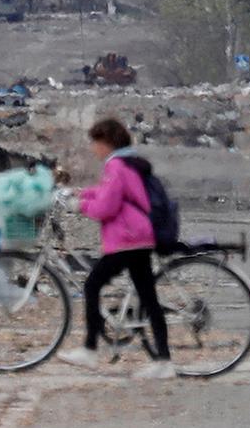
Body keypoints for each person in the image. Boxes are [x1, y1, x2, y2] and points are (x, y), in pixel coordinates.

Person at [61, 117, 172, 377]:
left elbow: (105, 207)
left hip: (128, 239)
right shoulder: (128, 164)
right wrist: (81, 193)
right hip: (139, 237)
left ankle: (89, 349)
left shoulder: (116, 167)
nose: (93, 149)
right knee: (149, 299)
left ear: (107, 143)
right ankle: (164, 361)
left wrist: (80, 206)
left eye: (95, 143)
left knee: (92, 285)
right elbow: (108, 193)